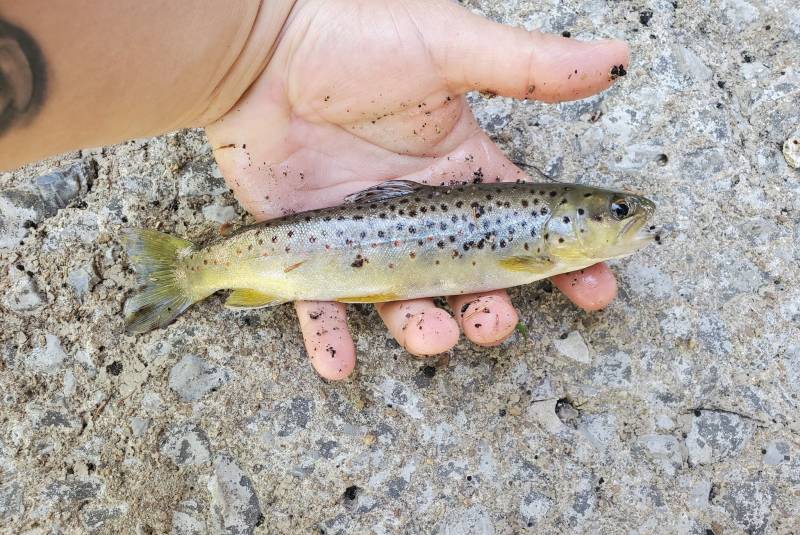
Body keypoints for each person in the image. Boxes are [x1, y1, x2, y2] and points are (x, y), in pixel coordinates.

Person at [0, 0, 629, 380]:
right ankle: (193, 271)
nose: (626, 218)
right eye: (616, 212)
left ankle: (202, 270)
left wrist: (261, 43)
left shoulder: (544, 240)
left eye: (618, 211)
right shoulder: (538, 251)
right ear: (570, 219)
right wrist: (263, 38)